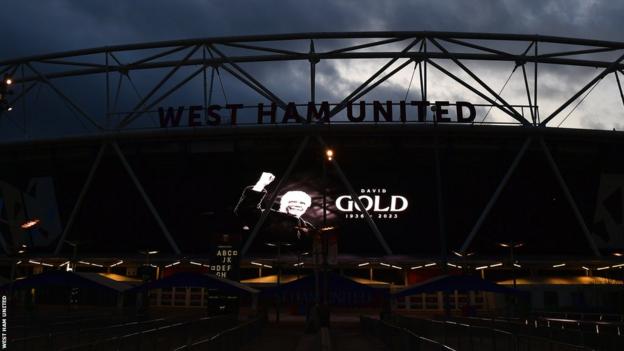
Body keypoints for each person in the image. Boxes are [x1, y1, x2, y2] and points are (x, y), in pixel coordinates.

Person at [234, 172, 315, 247]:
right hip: (263, 259)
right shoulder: (269, 216)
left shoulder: (308, 226)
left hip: (299, 261)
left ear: (306, 207)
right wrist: (260, 184)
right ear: (283, 204)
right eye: (292, 201)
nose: (297, 205)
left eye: (302, 203)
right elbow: (246, 210)